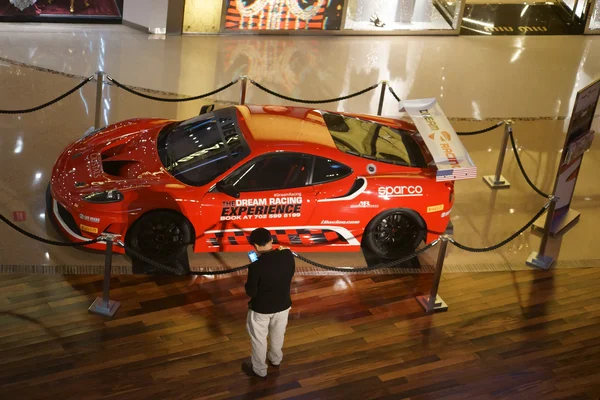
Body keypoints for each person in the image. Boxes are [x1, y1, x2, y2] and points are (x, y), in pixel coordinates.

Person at [242, 228, 295, 378]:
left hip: (261, 309)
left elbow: (251, 292)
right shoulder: (287, 254)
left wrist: (255, 264)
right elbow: (288, 272)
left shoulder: (255, 265)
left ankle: (259, 369)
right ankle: (276, 359)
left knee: (259, 339)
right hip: (283, 305)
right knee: (278, 334)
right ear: (271, 240)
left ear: (255, 246)